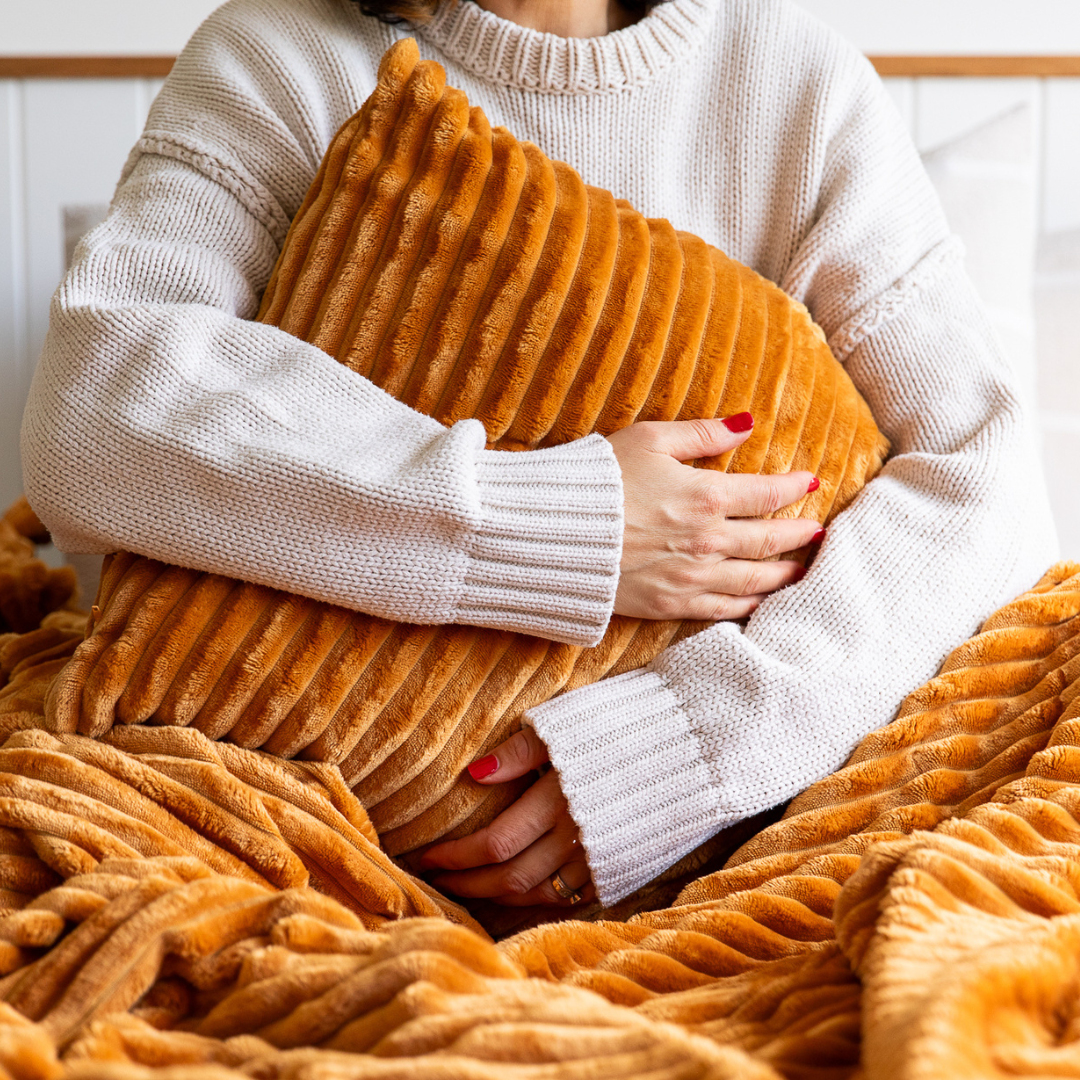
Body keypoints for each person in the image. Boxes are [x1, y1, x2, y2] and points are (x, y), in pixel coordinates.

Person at [21, 0, 1057, 911]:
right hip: (301, 847)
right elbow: (89, 409)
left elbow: (996, 479)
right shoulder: (280, 54)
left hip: (745, 847)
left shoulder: (792, 85)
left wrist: (689, 745)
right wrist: (565, 524)